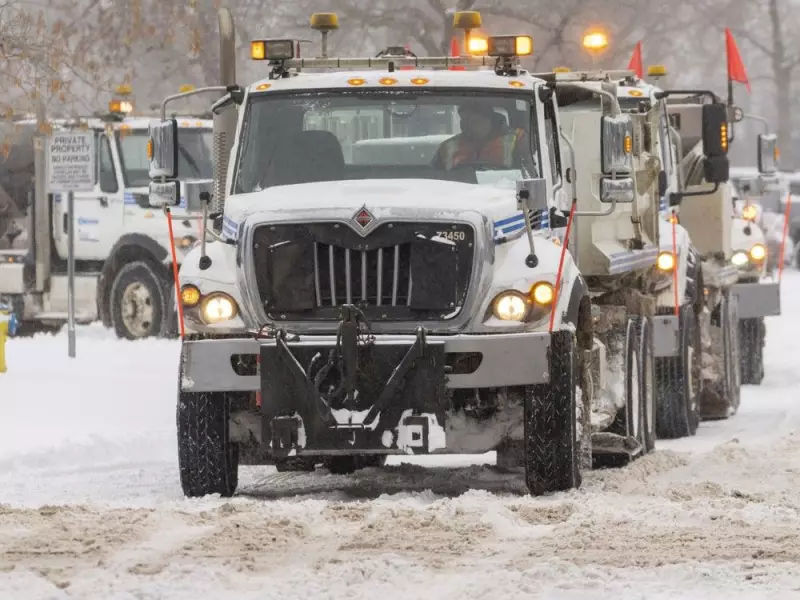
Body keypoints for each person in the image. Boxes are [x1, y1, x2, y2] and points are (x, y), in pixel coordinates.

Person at [432, 101, 525, 171]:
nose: (466, 124)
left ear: (488, 119)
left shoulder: (517, 140)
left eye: (473, 120)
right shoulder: (447, 148)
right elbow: (432, 178)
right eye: (463, 119)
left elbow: (528, 174)